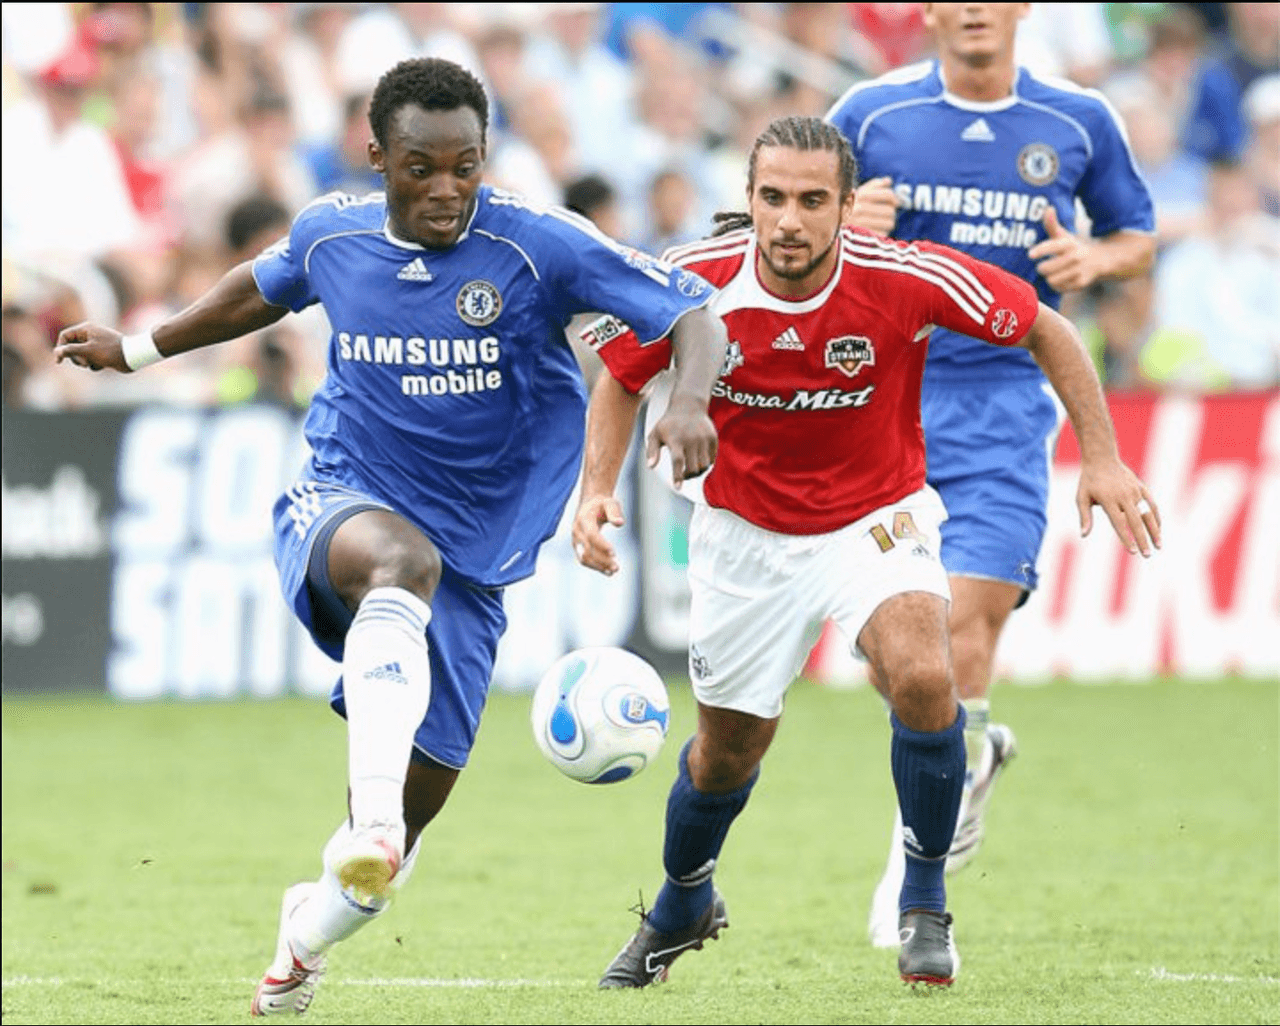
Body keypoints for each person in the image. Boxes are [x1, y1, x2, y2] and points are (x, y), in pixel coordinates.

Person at [53, 57, 727, 1017]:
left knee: (385, 863)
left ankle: (303, 937)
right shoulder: (333, 232)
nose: (447, 190)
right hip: (343, 497)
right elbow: (262, 285)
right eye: (422, 167)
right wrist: (138, 347)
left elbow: (691, 313)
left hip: (474, 563)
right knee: (397, 567)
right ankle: (367, 819)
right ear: (378, 156)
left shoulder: (539, 245)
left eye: (467, 167)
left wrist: (691, 401)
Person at [572, 114, 1160, 988]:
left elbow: (1046, 327)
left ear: (849, 206)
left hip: (874, 523)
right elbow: (621, 376)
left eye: (814, 200)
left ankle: (924, 904)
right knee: (724, 753)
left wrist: (1103, 457)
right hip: (743, 539)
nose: (790, 221)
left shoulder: (903, 276)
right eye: (773, 198)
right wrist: (595, 491)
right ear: (749, 199)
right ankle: (683, 899)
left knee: (926, 674)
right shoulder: (693, 280)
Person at [825, 2, 1158, 945]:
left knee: (962, 620)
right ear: (928, 11)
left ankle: (913, 861)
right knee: (895, 656)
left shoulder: (1078, 120)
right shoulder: (871, 115)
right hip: (886, 402)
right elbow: (791, 228)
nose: (974, 8)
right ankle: (963, 763)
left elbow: (1138, 233)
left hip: (1010, 405)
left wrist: (1097, 255)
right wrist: (849, 218)